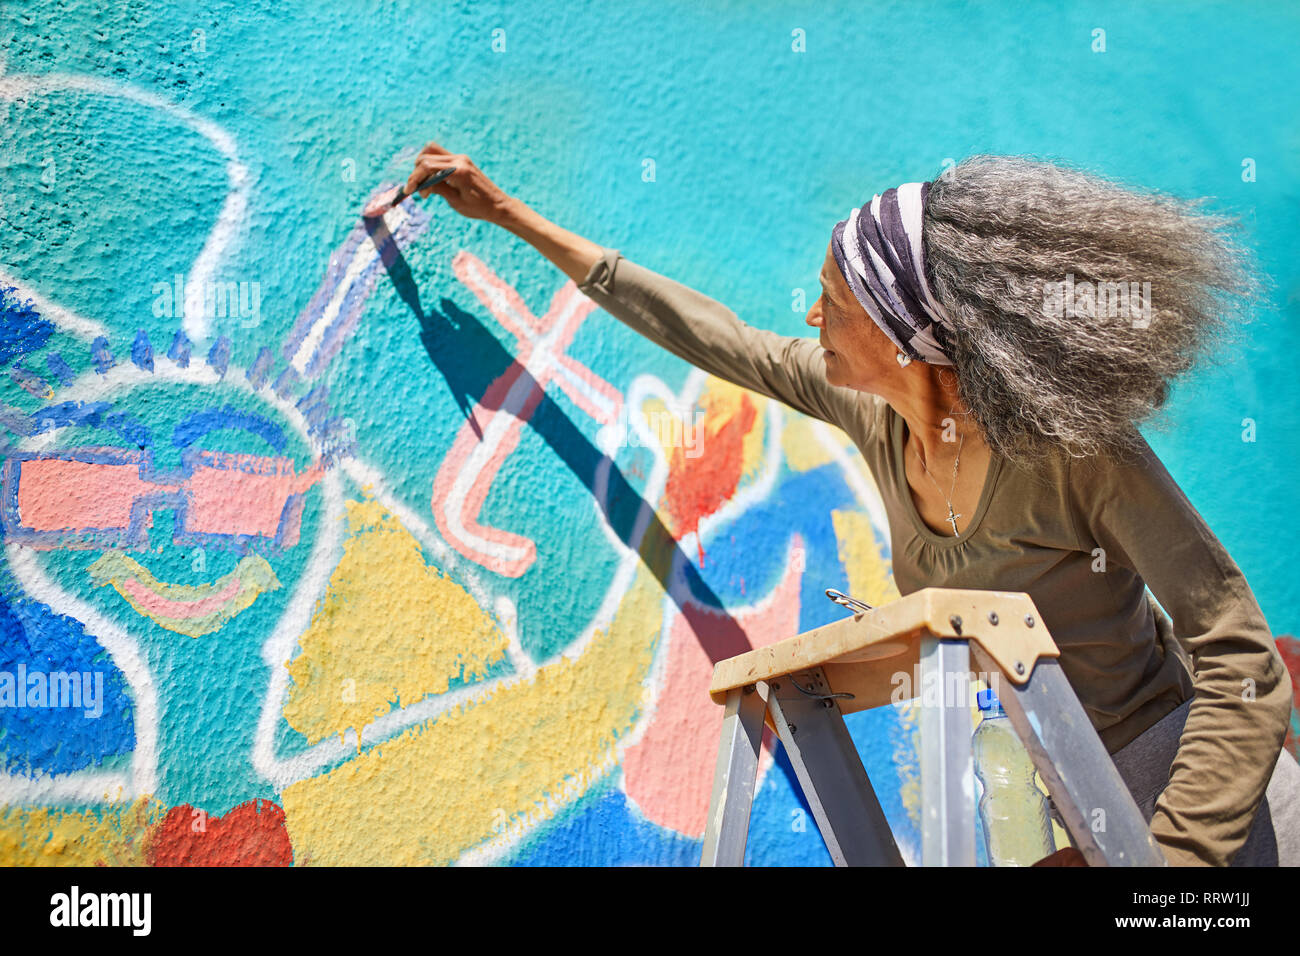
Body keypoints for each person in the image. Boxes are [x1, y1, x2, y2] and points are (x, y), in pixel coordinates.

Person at [401, 143, 1299, 866]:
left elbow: (1243, 660)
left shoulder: (1075, 454)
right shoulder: (871, 414)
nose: (809, 318)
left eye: (831, 302)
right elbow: (715, 337)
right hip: (1072, 796)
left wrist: (1172, 864)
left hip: (1200, 801)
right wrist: (511, 216)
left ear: (903, 332)